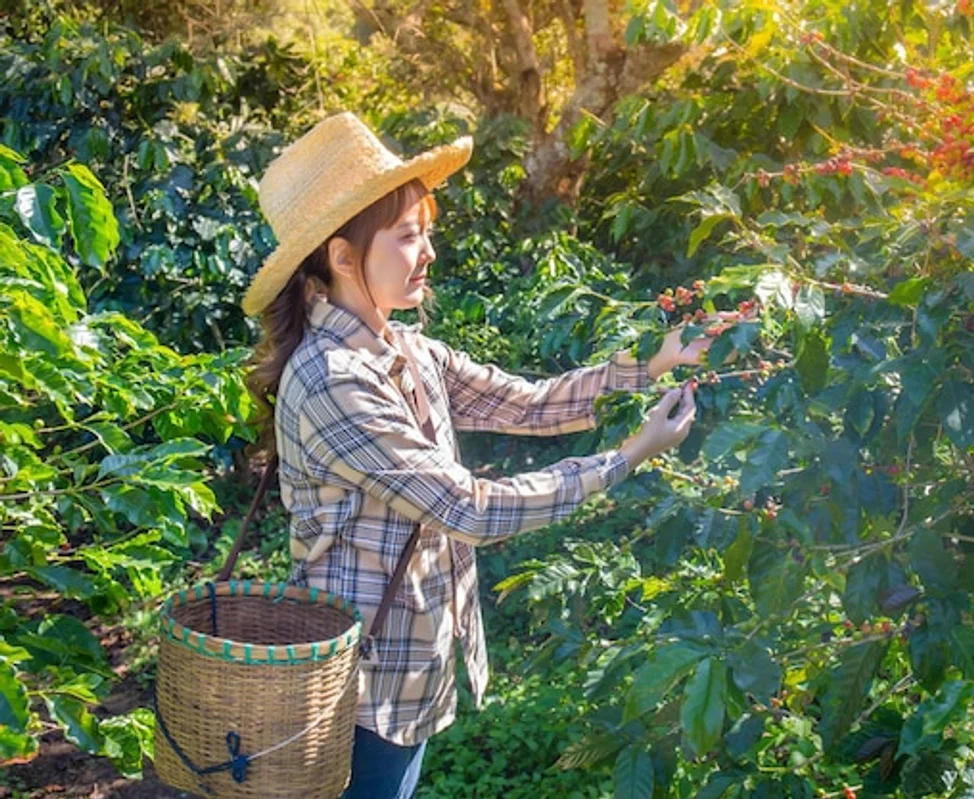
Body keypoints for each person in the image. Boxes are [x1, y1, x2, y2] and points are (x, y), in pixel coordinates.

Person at [241, 112, 716, 799]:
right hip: (359, 686)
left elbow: (524, 403)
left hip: (407, 667)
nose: (428, 250)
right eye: (407, 236)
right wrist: (626, 456)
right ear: (343, 257)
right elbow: (467, 506)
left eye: (426, 231)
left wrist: (652, 363)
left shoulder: (404, 350)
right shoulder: (333, 378)